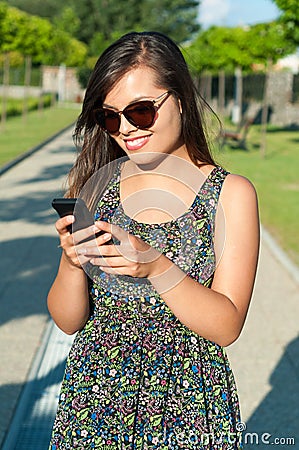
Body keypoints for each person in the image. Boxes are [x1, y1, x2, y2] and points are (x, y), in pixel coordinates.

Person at [48, 31, 259, 449]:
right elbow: (68, 320)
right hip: (93, 400)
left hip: (188, 405)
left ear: (179, 97)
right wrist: (73, 263)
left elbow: (227, 325)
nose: (125, 129)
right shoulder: (96, 188)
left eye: (140, 111)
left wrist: (157, 266)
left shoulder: (230, 193)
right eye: (110, 117)